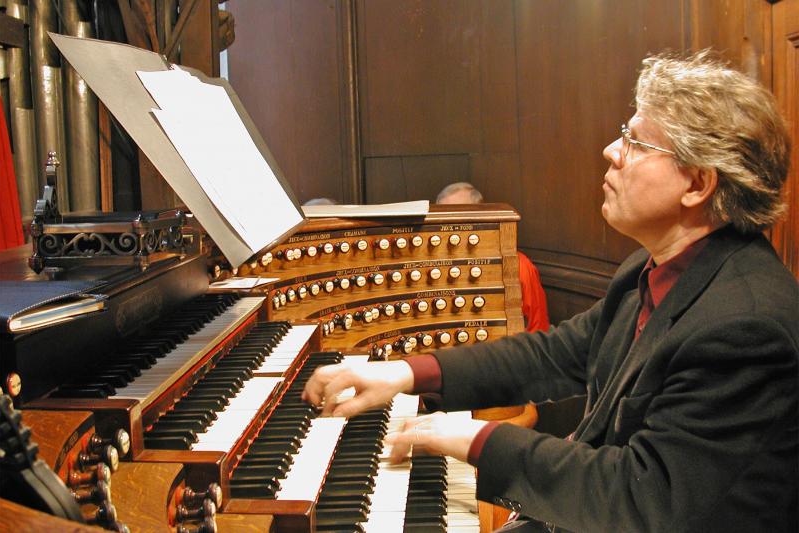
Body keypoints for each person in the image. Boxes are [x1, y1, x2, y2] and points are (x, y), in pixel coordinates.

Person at [302, 51, 798, 532]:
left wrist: (477, 439)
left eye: (637, 142)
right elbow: (554, 355)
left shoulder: (746, 328)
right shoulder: (655, 271)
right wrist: (406, 373)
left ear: (698, 185)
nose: (611, 150)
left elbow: (641, 496)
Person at [436, 182, 550, 332]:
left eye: (458, 217)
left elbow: (537, 328)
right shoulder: (434, 268)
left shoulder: (518, 265)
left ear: (481, 218)